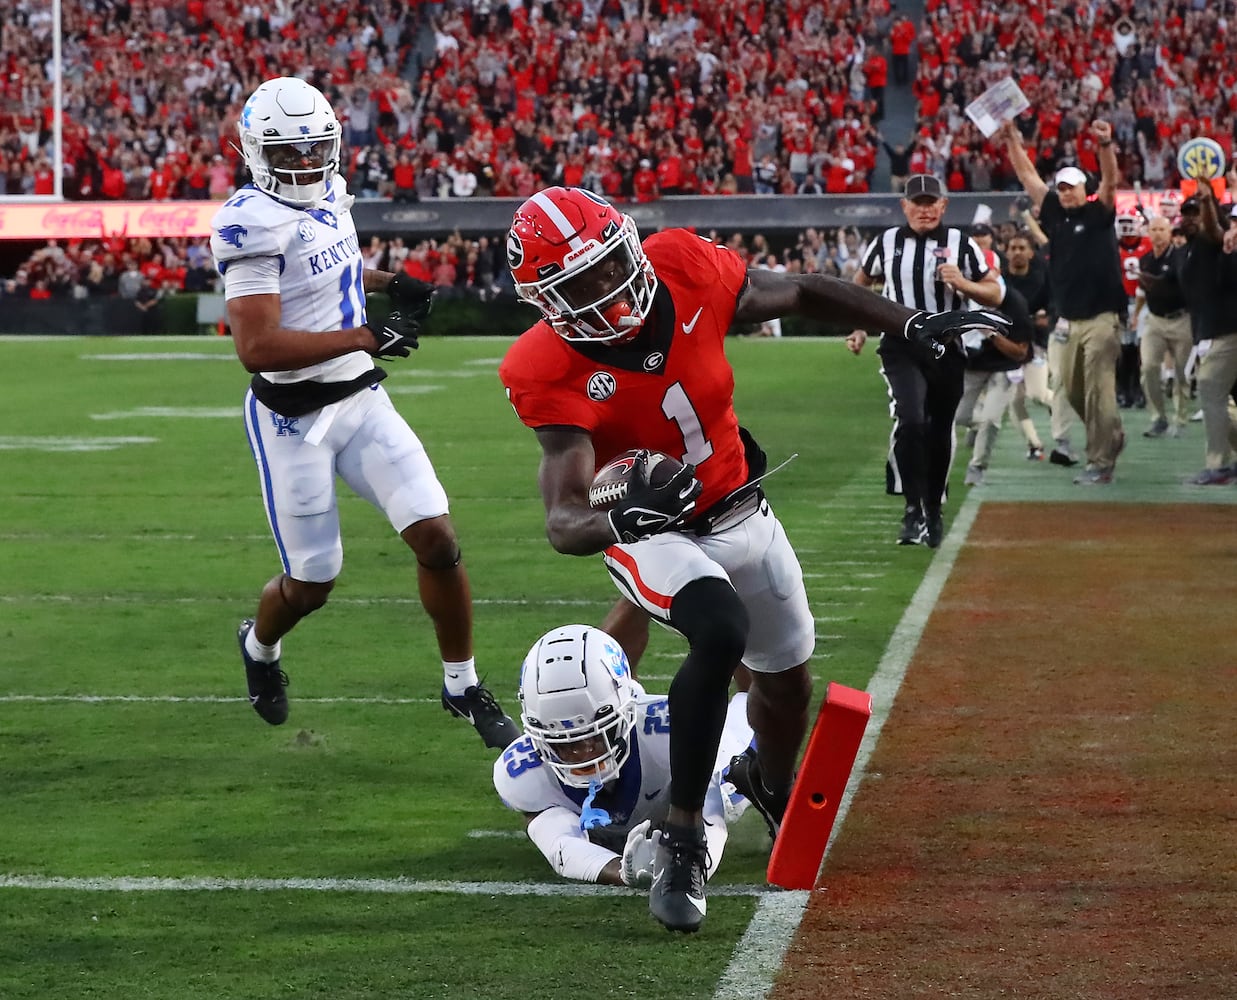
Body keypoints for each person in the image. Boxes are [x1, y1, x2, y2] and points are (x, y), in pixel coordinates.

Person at [496, 186, 999, 933]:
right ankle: (681, 835)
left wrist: (908, 321)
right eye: (583, 285)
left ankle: (763, 780)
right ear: (547, 301)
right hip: (652, 530)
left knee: (785, 684)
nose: (608, 289)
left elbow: (794, 289)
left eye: (609, 267)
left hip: (738, 501)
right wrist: (619, 515)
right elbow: (564, 519)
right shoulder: (545, 365)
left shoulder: (682, 266)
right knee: (719, 631)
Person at [210, 77, 516, 748]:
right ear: (258, 154)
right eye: (289, 154)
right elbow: (257, 346)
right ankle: (259, 647)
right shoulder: (246, 222)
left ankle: (461, 684)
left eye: (315, 149)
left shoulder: (331, 197)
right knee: (312, 583)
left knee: (436, 536)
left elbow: (331, 265)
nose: (305, 165)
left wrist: (387, 281)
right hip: (292, 420)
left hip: (358, 397)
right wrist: (364, 335)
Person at [493, 624, 751, 889]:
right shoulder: (525, 772)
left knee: (745, 738)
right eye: (565, 744)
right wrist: (625, 872)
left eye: (594, 737)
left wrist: (687, 869)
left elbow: (711, 823)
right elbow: (562, 845)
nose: (584, 755)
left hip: (708, 771)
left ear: (626, 712)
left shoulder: (668, 732)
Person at [846, 173, 1003, 546]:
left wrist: (963, 284)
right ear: (904, 206)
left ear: (943, 205)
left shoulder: (962, 244)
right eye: (917, 202)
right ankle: (913, 507)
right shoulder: (886, 242)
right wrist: (859, 325)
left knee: (939, 429)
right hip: (900, 344)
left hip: (948, 346)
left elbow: (994, 293)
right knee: (912, 417)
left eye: (931, 202)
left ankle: (933, 508)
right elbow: (860, 282)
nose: (924, 209)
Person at [999, 120, 1128, 485]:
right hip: (1068, 318)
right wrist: (1012, 141)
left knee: (1099, 388)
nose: (1066, 193)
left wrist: (1104, 144)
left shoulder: (1098, 213)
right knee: (1070, 391)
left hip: (1102, 315)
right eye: (1062, 188)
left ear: (1084, 189)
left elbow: (1111, 183)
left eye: (1072, 187)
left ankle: (1100, 462)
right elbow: (1027, 177)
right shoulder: (1054, 212)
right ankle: (1111, 434)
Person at [1169, 189, 1237, 485]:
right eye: (1187, 214)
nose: (1191, 219)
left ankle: (1219, 464)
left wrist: (1209, 201)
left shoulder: (1214, 241)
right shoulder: (1197, 249)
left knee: (1209, 385)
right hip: (1213, 330)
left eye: (1197, 213)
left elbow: (1213, 229)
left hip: (1229, 330)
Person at [956, 272, 1035, 486]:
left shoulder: (1015, 304)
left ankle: (977, 467)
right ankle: (978, 426)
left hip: (1004, 366)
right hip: (973, 364)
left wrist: (991, 334)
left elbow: (1020, 352)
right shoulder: (961, 298)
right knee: (958, 416)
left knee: (991, 419)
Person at [1132, 215, 1191, 438]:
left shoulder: (1180, 257)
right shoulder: (1145, 260)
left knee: (1181, 372)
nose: (1157, 233)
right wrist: (1137, 314)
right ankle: (1158, 418)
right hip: (1155, 319)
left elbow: (1185, 286)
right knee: (1147, 368)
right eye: (1153, 229)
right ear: (1148, 233)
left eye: (1161, 229)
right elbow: (1141, 292)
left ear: (1169, 233)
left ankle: (1180, 418)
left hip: (1181, 318)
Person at [1003, 230, 1057, 459]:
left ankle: (1061, 405)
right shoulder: (999, 280)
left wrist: (1047, 318)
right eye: (1013, 248)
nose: (1017, 253)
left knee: (1036, 394)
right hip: (1006, 345)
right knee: (1014, 400)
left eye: (1022, 248)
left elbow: (1054, 303)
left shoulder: (1042, 277)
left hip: (1035, 344)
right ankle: (1034, 445)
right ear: (1006, 252)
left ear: (1031, 253)